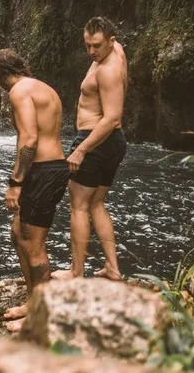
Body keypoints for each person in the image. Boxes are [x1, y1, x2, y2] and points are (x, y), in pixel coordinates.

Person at [0, 49, 69, 332]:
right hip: (52, 168)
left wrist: (16, 183)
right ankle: (34, 301)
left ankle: (41, 317)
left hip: (42, 172)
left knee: (33, 245)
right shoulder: (44, 88)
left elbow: (30, 138)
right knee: (18, 233)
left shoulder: (19, 91)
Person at [53, 16, 128, 281]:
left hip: (95, 140)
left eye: (97, 45)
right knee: (96, 203)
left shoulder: (107, 70)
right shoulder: (115, 52)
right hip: (113, 143)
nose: (91, 52)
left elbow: (112, 118)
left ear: (111, 41)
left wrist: (81, 149)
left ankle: (76, 273)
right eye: (87, 45)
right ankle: (113, 268)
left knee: (79, 207)